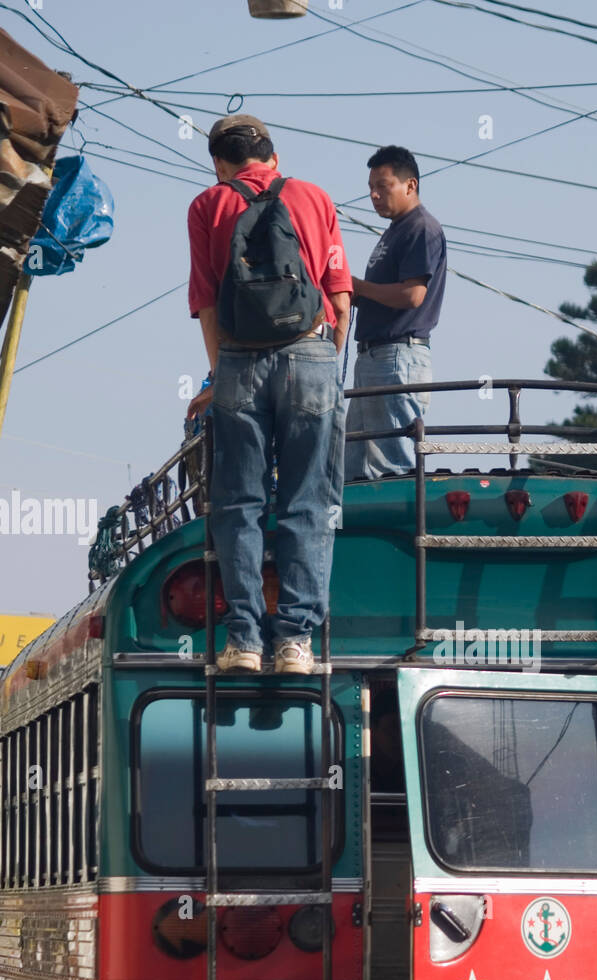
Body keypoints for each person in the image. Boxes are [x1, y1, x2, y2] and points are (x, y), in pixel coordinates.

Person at [186, 114, 351, 674]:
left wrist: (219, 375)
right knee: (309, 499)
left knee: (239, 504)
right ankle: (296, 643)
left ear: (219, 163)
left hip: (238, 362)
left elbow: (206, 301)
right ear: (273, 158)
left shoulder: (207, 205)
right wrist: (325, 357)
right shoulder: (314, 197)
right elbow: (340, 296)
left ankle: (245, 641)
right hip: (311, 355)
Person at [344, 145, 446, 480]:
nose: (373, 195)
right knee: (355, 469)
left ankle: (400, 532)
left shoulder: (421, 228)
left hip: (397, 356)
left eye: (383, 187)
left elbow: (412, 294)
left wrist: (357, 287)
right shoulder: (396, 230)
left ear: (410, 185)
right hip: (378, 357)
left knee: (393, 467)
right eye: (371, 188)